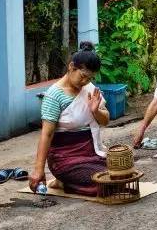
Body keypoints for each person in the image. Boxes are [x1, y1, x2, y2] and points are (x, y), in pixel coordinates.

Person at [29, 42, 109, 197]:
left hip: (90, 154)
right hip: (65, 159)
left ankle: (66, 181)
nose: (85, 82)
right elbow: (47, 134)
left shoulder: (89, 89)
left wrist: (95, 111)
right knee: (107, 183)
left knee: (123, 173)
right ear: (71, 67)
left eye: (90, 78)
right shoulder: (54, 96)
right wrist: (38, 170)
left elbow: (105, 120)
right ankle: (64, 181)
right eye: (83, 76)